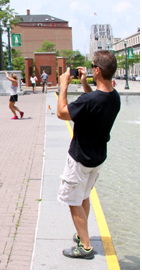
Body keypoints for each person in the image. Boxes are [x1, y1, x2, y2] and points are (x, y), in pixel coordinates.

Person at [56, 51, 120, 259]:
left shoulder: (89, 100)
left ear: (98, 70)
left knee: (73, 201)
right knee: (83, 195)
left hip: (80, 158)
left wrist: (63, 84)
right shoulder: (114, 97)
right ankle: (82, 234)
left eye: (93, 66)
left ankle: (85, 246)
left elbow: (62, 113)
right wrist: (85, 83)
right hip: (97, 157)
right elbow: (95, 99)